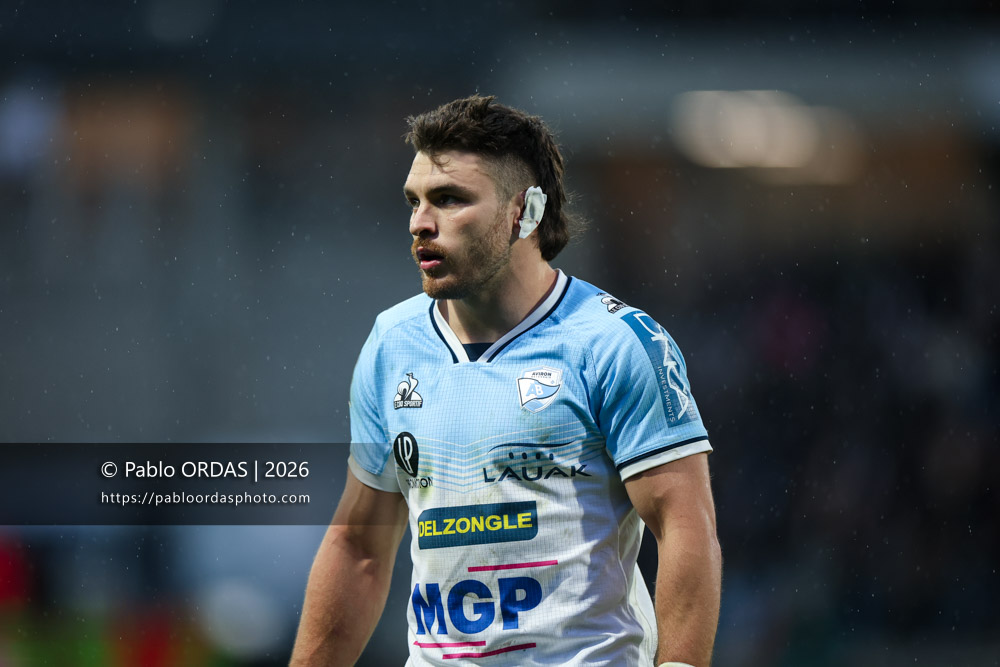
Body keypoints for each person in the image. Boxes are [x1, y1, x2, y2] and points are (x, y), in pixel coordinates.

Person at [290, 95, 721, 667]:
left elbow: (685, 527)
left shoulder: (614, 343)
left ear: (527, 212)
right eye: (414, 201)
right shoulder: (391, 345)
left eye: (449, 200)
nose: (420, 222)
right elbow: (360, 547)